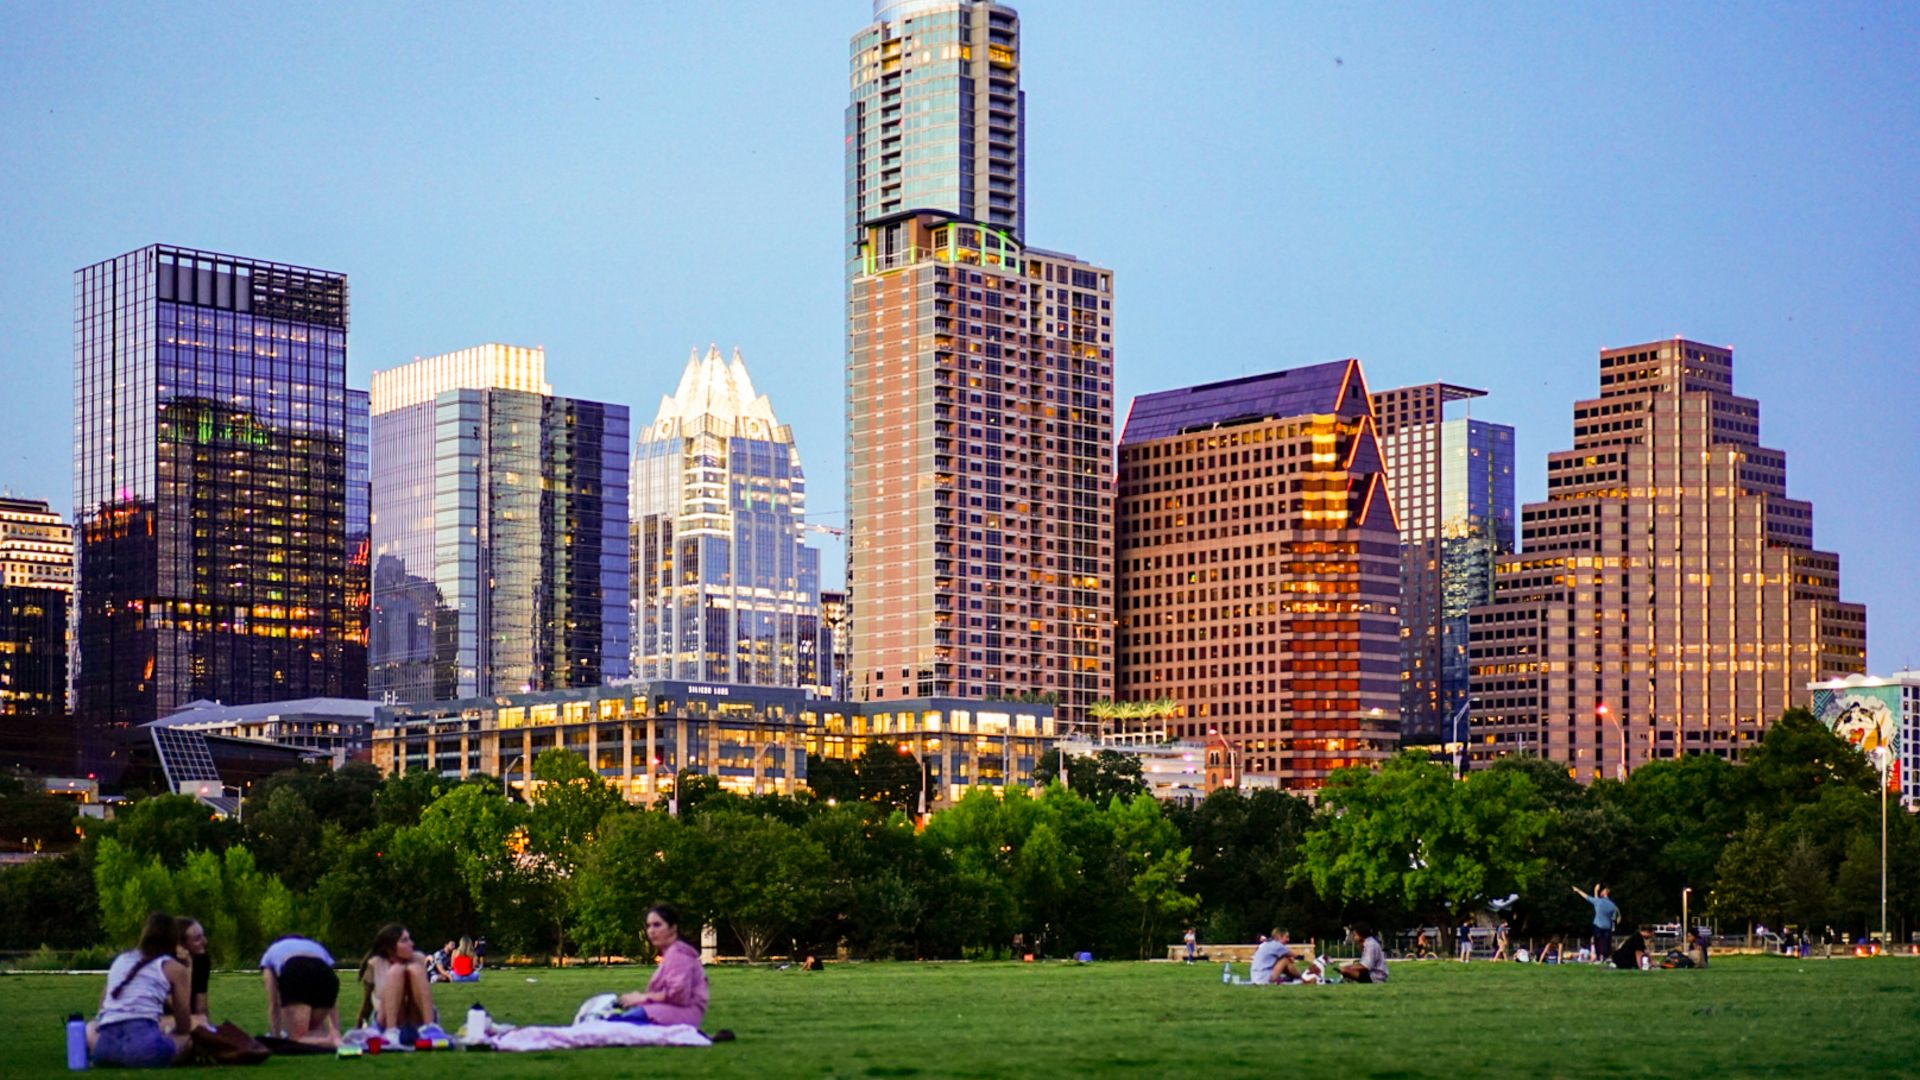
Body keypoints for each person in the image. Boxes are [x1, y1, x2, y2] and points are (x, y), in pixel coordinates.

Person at [91, 911, 194, 1067]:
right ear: (174, 939)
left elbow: (102, 1008)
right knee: (187, 1039)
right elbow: (184, 1024)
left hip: (104, 1049)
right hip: (143, 1049)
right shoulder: (173, 968)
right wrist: (188, 968)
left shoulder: (121, 960)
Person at [612, 903, 709, 1028]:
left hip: (681, 1015)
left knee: (611, 1025)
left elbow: (678, 996)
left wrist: (642, 998)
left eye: (657, 925)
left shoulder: (679, 955)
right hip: (668, 1011)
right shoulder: (671, 954)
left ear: (673, 928)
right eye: (648, 926)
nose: (651, 931)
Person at [356, 924, 436, 1039]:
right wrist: (358, 1028)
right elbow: (367, 1003)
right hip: (385, 1019)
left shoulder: (418, 958)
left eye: (409, 939)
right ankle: (391, 1031)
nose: (411, 944)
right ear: (390, 947)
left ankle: (430, 1028)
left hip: (416, 1018)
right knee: (396, 971)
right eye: (404, 940)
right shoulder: (376, 964)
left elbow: (422, 998)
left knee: (414, 969)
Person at [260, 934, 341, 1046]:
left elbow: (274, 1003)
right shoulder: (316, 946)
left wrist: (276, 1038)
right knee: (312, 1030)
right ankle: (334, 1038)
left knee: (296, 1039)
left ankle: (330, 1040)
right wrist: (335, 1029)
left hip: (296, 969)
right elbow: (333, 1004)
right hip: (327, 975)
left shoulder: (270, 952)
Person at [171, 917, 210, 1031]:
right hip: (162, 1018)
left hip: (191, 1018)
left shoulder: (201, 960)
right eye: (197, 939)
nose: (204, 941)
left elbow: (201, 1006)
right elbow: (180, 1008)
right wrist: (187, 967)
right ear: (180, 945)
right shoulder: (167, 966)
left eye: (203, 936)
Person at [1573, 884, 1618, 963]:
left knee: (1598, 942)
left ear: (1606, 893)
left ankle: (1598, 958)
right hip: (1607, 926)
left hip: (1598, 925)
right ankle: (1605, 957)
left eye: (1603, 890)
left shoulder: (1598, 901)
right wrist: (1595, 891)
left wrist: (1578, 890)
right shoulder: (1613, 905)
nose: (1601, 891)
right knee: (1606, 942)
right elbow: (1613, 918)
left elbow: (1587, 897)